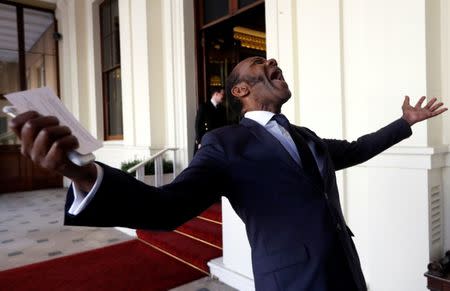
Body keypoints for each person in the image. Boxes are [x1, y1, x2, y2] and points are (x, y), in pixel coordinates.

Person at [9, 57, 447, 291]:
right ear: (239, 90)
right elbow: (166, 208)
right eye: (260, 62)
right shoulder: (224, 143)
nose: (273, 62)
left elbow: (355, 150)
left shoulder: (306, 136)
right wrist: (79, 173)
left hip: (345, 270)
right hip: (292, 280)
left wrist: (404, 123)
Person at [194, 87, 227, 153]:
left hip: (218, 141)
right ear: (216, 94)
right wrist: (199, 141)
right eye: (222, 94)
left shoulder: (222, 109)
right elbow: (198, 125)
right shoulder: (204, 106)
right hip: (205, 140)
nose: (223, 96)